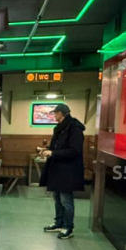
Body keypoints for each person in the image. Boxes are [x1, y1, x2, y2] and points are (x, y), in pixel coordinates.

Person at [40, 103, 85, 240]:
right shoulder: (59, 128)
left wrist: (53, 153)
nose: (54, 116)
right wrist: (47, 149)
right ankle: (58, 223)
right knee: (57, 198)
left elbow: (74, 150)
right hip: (57, 169)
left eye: (55, 113)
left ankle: (68, 227)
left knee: (66, 200)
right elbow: (57, 146)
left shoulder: (75, 128)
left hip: (68, 170)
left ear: (60, 113)